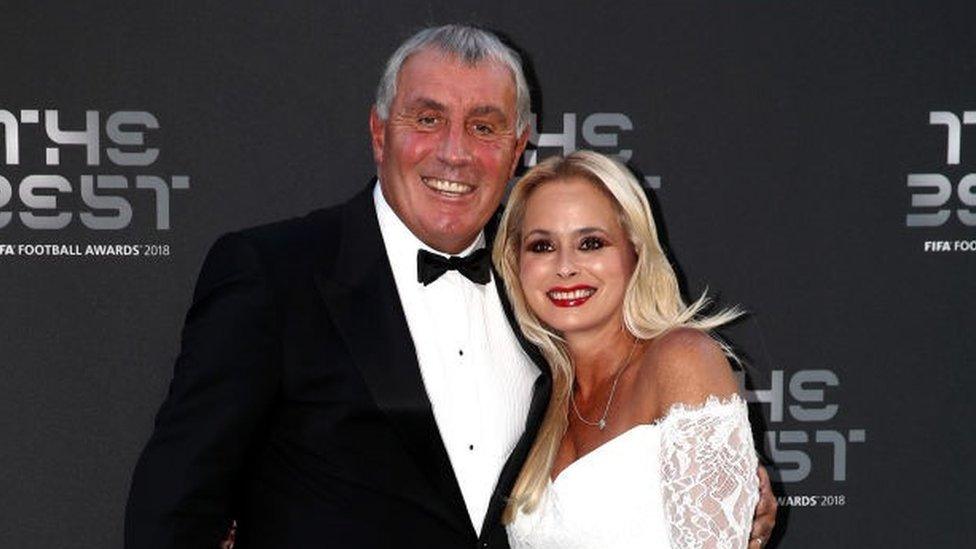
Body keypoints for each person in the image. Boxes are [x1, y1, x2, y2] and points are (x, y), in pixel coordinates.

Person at [125, 25, 776, 549]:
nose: (455, 153)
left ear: (519, 147)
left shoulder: (542, 303)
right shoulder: (273, 271)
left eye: (485, 126)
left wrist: (724, 494)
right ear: (380, 133)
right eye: (428, 119)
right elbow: (174, 505)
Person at [494, 150, 765, 548]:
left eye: (590, 243)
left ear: (634, 251)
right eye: (542, 246)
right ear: (516, 261)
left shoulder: (682, 359)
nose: (565, 266)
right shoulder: (530, 395)